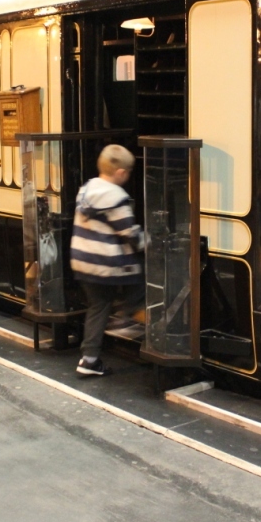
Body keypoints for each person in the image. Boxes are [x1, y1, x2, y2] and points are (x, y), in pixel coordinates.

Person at [70, 144, 145, 377]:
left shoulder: (87, 189)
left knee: (99, 306)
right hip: (105, 264)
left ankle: (89, 360)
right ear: (121, 173)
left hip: (82, 261)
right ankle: (129, 318)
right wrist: (151, 242)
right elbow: (130, 233)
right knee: (141, 278)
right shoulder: (116, 198)